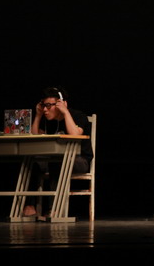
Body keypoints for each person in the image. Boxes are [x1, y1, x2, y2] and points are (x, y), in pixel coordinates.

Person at [22, 87, 93, 217]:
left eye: (49, 106)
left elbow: (75, 135)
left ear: (61, 103)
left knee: (56, 161)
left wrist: (65, 113)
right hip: (54, 159)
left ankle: (54, 209)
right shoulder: (47, 120)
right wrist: (38, 115)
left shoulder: (78, 116)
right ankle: (30, 205)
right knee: (32, 162)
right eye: (43, 105)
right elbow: (34, 139)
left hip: (80, 160)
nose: (45, 109)